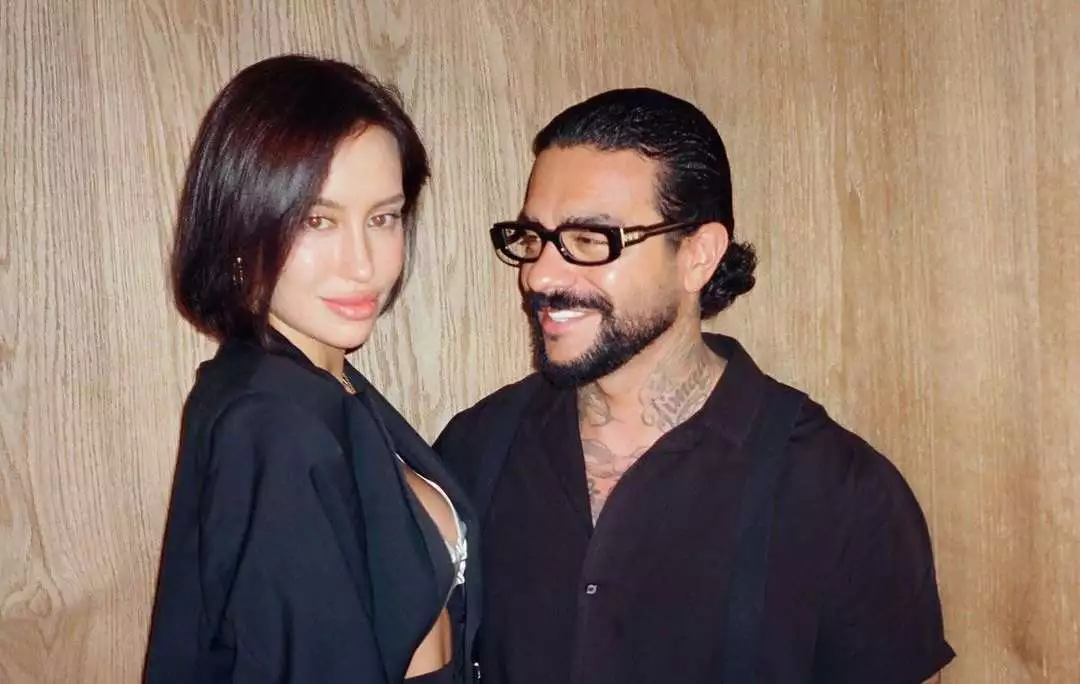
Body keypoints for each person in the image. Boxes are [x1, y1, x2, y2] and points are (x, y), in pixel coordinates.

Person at [435, 88, 954, 683]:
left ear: (698, 255)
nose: (540, 276)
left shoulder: (841, 493)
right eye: (534, 239)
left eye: (589, 240)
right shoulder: (474, 451)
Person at [144, 54, 476, 684]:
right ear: (242, 226)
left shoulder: (325, 386)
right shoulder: (272, 421)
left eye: (383, 218)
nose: (363, 264)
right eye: (316, 220)